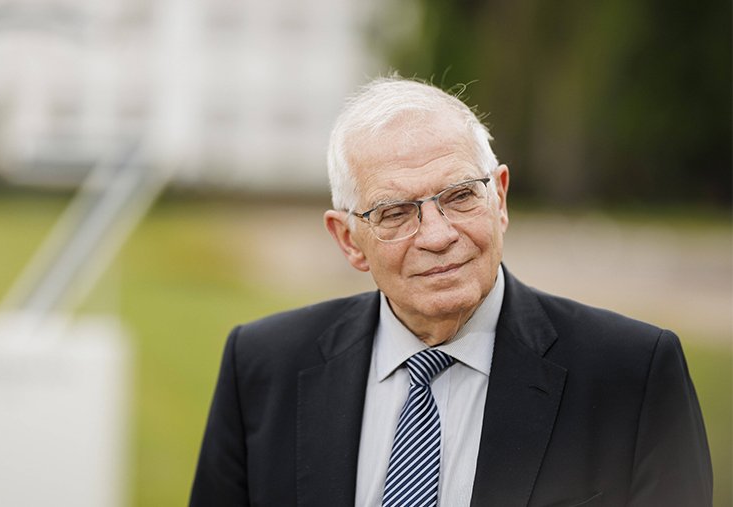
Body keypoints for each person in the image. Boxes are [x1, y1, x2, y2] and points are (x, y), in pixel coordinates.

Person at [189, 77, 712, 507]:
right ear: (349, 240)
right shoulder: (261, 367)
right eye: (395, 212)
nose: (438, 236)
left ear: (499, 199)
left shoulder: (634, 374)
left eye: (460, 195)